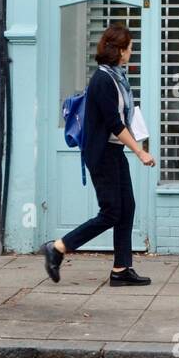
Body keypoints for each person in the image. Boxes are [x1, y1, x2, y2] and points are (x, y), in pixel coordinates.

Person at [43, 23, 155, 286]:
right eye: (129, 48)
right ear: (119, 51)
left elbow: (124, 118)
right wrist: (139, 151)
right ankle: (58, 247)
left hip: (113, 151)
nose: (131, 52)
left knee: (127, 208)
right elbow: (115, 123)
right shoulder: (103, 80)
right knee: (111, 212)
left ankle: (121, 269)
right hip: (102, 154)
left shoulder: (117, 77)